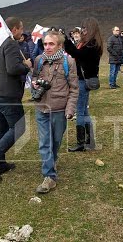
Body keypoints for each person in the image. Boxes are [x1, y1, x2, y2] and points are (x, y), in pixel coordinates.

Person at [0, 17, 32, 181]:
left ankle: (0, 163)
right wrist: (27, 66)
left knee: (2, 128)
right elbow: (12, 69)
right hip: (7, 95)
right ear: (14, 29)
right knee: (19, 127)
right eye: (21, 28)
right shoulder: (10, 43)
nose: (22, 31)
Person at [32, 31, 78, 193]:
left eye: (51, 44)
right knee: (45, 142)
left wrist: (70, 109)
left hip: (60, 110)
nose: (47, 47)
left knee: (56, 141)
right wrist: (35, 84)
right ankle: (49, 177)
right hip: (42, 108)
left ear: (59, 45)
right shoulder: (38, 60)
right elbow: (33, 80)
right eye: (45, 44)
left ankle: (53, 160)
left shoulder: (69, 62)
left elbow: (74, 89)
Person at [64, 17, 103, 152]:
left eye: (85, 28)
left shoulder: (90, 45)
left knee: (80, 111)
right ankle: (90, 141)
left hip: (83, 80)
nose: (83, 31)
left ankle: (81, 143)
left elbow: (76, 53)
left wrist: (65, 40)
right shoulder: (93, 43)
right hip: (86, 79)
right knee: (84, 111)